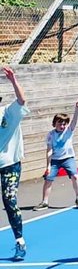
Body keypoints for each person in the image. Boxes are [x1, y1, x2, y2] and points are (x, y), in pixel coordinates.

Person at [0, 66, 31, 259]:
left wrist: (13, 81)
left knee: (9, 201)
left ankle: (19, 240)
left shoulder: (8, 113)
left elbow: (22, 100)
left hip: (9, 164)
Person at [36, 97, 78, 210]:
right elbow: (49, 150)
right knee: (48, 179)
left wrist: (77, 109)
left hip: (68, 158)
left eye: (64, 124)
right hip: (55, 160)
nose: (62, 126)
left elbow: (74, 121)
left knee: (75, 175)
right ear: (55, 124)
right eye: (60, 124)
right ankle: (44, 202)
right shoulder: (50, 135)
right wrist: (48, 166)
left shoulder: (69, 130)